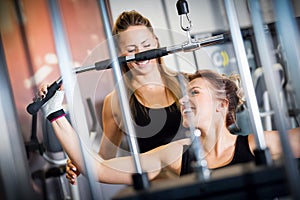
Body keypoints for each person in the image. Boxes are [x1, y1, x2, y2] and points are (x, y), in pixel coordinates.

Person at [40, 69, 300, 185]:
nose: (184, 100)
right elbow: (99, 169)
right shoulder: (177, 155)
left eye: (194, 92)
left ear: (222, 105)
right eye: (184, 94)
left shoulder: (257, 145)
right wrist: (55, 113)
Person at [38, 10, 186, 185]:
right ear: (120, 54)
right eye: (131, 49)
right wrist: (81, 161)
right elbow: (105, 159)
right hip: (158, 188)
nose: (140, 54)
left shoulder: (188, 84)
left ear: (156, 42)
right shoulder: (115, 102)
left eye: (146, 45)